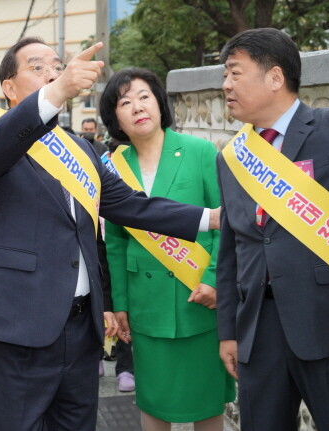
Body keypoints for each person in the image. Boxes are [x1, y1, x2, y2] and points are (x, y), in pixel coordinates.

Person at [0, 37, 220, 431]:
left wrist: (211, 218)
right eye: (37, 67)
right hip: (18, 328)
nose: (53, 72)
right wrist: (59, 89)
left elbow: (134, 206)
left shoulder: (81, 150)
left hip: (80, 332)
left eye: (57, 65)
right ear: (8, 88)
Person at [216, 28, 329, 431]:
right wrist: (229, 331)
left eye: (234, 73)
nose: (225, 85)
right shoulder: (232, 157)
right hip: (259, 335)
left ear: (275, 77)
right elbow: (231, 252)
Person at [99, 67, 235, 430]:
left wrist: (215, 280)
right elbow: (114, 242)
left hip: (199, 299)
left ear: (160, 103)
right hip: (148, 305)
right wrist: (121, 305)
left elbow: (228, 223)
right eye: (124, 102)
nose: (137, 106)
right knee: (153, 404)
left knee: (207, 407)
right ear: (115, 118)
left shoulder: (200, 151)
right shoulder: (112, 168)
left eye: (144, 96)